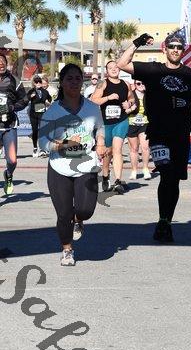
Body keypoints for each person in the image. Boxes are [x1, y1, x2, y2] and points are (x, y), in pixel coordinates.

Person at [117, 31, 191, 242]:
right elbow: (121, 64)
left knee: (173, 180)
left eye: (179, 47)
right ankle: (163, 222)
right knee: (166, 174)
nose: (175, 50)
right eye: (172, 46)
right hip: (158, 133)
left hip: (180, 135)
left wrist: (188, 105)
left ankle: (166, 220)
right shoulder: (153, 70)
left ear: (183, 51)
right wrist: (137, 42)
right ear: (164, 49)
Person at [38, 63, 107, 266]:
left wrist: (100, 142)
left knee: (86, 210)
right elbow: (42, 143)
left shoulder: (92, 108)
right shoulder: (52, 112)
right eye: (69, 78)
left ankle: (79, 219)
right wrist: (62, 145)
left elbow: (100, 127)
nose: (74, 82)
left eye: (78, 78)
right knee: (63, 214)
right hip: (59, 166)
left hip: (86, 163)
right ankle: (67, 249)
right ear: (62, 82)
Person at [91, 61, 136, 193]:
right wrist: (108, 97)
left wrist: (129, 104)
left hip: (121, 120)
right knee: (108, 152)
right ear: (107, 71)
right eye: (110, 68)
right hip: (106, 123)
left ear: (119, 69)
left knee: (117, 149)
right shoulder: (102, 83)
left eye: (116, 67)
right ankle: (105, 175)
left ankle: (118, 181)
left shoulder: (125, 84)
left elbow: (132, 98)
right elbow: (94, 100)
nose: (114, 69)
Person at [0, 54, 28, 195]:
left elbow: (24, 100)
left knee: (12, 161)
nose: (0, 63)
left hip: (9, 126)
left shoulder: (14, 80)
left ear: (6, 64)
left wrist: (12, 107)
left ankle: (9, 174)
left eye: (3, 61)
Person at [127, 80, 151, 180]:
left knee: (145, 147)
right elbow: (124, 109)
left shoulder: (149, 95)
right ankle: (134, 171)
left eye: (143, 83)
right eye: (138, 83)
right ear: (135, 85)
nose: (141, 85)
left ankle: (145, 169)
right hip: (131, 123)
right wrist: (130, 108)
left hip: (145, 123)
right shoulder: (130, 95)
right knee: (134, 149)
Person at [27, 75, 52, 157]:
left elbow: (50, 98)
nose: (38, 83)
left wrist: (48, 101)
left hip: (42, 112)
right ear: (34, 83)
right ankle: (35, 147)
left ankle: (43, 148)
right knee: (35, 131)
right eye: (36, 82)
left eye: (39, 82)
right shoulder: (31, 91)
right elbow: (26, 98)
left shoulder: (45, 91)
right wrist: (30, 97)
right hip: (33, 114)